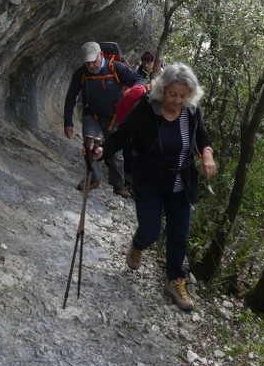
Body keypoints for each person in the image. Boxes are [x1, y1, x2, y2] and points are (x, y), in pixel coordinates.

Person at [93, 62, 216, 311]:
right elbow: (122, 134)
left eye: (183, 96)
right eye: (173, 95)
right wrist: (101, 151)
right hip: (149, 178)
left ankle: (175, 281)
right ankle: (138, 244)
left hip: (181, 180)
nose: (178, 100)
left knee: (179, 236)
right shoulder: (148, 109)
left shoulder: (191, 110)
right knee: (150, 231)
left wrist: (207, 154)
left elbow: (202, 136)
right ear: (163, 89)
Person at [63, 42, 146, 199]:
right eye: (87, 62)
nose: (91, 65)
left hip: (114, 116)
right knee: (89, 146)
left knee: (115, 151)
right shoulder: (81, 73)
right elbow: (71, 96)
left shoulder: (116, 68)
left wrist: (137, 89)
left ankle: (118, 184)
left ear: (100, 54)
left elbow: (138, 79)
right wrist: (68, 122)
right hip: (91, 114)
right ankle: (94, 179)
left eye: (93, 61)